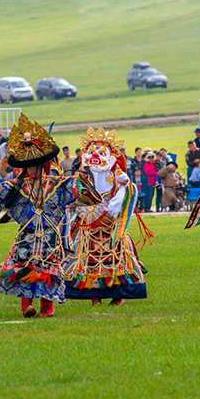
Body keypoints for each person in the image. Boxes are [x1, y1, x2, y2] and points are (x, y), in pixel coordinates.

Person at [0, 113, 94, 318]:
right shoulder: (14, 187)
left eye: (36, 165)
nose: (33, 169)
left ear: (43, 164)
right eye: (29, 165)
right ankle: (26, 306)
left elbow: (82, 192)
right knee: (23, 267)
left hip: (49, 236)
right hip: (27, 234)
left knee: (47, 270)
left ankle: (47, 307)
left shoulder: (57, 184)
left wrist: (87, 176)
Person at [63, 127, 147, 305]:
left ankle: (118, 295)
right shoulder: (84, 177)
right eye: (91, 152)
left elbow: (129, 189)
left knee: (116, 258)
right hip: (90, 226)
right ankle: (95, 295)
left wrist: (115, 205)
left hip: (110, 225)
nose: (96, 156)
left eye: (101, 153)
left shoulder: (118, 175)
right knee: (90, 259)